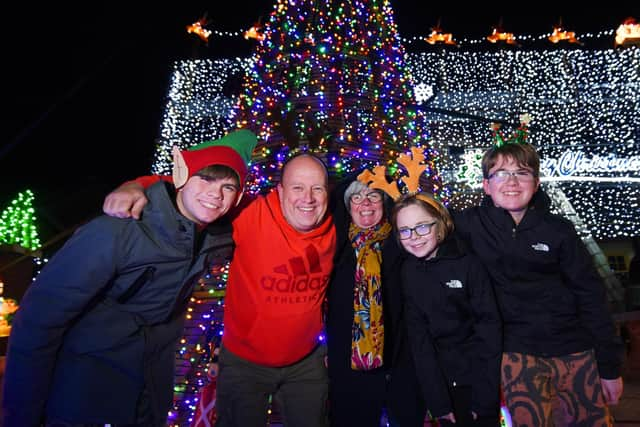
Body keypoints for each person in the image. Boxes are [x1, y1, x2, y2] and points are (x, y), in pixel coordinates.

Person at [2, 129, 258, 427]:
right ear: (182, 176)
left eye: (228, 187)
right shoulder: (118, 230)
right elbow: (38, 322)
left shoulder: (216, 238)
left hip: (146, 397)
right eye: (205, 178)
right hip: (84, 395)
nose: (216, 193)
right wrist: (21, 416)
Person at [102, 152, 336, 427]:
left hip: (306, 364)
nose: (307, 198)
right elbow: (187, 184)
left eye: (316, 188)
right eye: (298, 187)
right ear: (281, 190)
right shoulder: (253, 212)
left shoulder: (336, 224)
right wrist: (136, 185)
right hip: (244, 365)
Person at [454, 140, 624, 426]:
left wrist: (609, 367)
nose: (511, 182)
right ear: (486, 185)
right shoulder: (467, 225)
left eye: (522, 173)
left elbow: (591, 297)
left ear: (536, 182)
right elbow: (420, 225)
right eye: (500, 173)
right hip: (516, 354)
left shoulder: (559, 230)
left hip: (575, 350)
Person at [390, 192, 502, 427]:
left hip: (478, 380)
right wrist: (438, 402)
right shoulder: (408, 272)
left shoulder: (468, 264)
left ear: (439, 224)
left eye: (422, 227)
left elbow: (489, 332)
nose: (414, 237)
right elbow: (419, 341)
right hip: (442, 384)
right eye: (405, 230)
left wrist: (484, 397)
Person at [326, 176, 425, 427]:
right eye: (357, 197)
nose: (365, 203)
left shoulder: (403, 243)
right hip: (349, 366)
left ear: (384, 201)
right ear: (348, 206)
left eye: (373, 195)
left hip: (400, 362)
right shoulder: (335, 248)